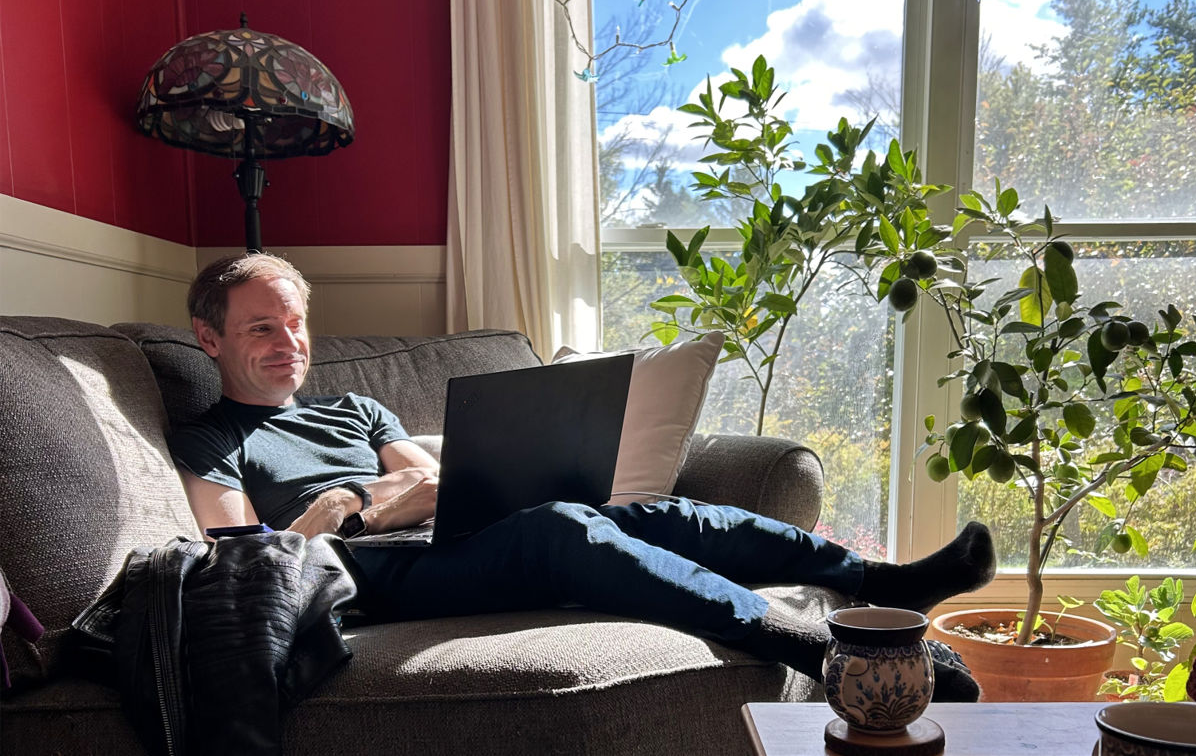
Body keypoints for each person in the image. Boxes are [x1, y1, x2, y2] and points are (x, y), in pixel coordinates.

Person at [169, 253, 996, 700]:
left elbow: (436, 480)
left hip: (442, 539)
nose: (289, 342)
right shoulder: (212, 437)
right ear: (210, 340)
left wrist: (449, 482)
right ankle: (812, 644)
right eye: (262, 328)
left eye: (297, 323)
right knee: (562, 531)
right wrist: (346, 509)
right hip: (365, 576)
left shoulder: (355, 408)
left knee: (665, 514)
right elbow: (239, 557)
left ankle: (879, 579)